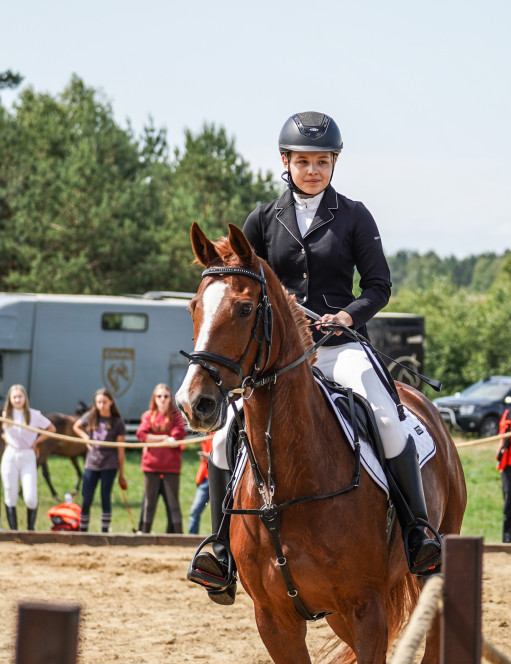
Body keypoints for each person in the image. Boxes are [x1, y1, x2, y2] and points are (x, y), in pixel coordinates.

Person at [189, 111, 442, 604]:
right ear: (286, 162)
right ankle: (219, 547)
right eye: (303, 162)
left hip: (340, 350)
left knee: (388, 416)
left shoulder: (353, 215)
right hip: (280, 360)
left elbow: (378, 287)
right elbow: (239, 278)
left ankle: (417, 533)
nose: (312, 170)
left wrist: (347, 316)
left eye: (322, 162)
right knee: (222, 437)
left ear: (333, 164)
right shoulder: (263, 219)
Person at [1, 384, 56, 530]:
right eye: (14, 397)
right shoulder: (6, 415)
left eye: (20, 397)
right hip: (11, 455)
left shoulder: (34, 415)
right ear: (10, 399)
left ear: (25, 398)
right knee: (10, 493)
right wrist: (6, 438)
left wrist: (37, 441)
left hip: (27, 455)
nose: (17, 400)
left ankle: (30, 529)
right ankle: (14, 531)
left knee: (30, 496)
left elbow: (51, 429)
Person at [73, 388, 127, 532]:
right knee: (87, 497)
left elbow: (121, 450)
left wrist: (121, 474)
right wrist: (85, 437)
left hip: (109, 464)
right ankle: (83, 530)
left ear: (110, 402)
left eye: (104, 402)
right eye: (98, 402)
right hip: (92, 463)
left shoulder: (117, 422)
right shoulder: (91, 416)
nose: (101, 405)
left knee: (105, 497)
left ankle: (104, 530)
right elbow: (76, 426)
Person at [136, 384, 186, 533]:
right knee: (149, 503)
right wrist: (164, 438)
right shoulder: (148, 416)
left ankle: (179, 536)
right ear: (154, 398)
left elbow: (178, 434)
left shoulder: (176, 416)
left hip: (171, 466)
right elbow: (142, 435)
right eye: (159, 396)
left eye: (166, 396)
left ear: (171, 398)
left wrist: (156, 438)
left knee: (173, 503)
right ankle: (145, 533)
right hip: (151, 466)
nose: (162, 399)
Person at [188, 434, 214, 534]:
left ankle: (223, 540)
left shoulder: (222, 431)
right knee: (195, 510)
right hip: (205, 478)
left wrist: (211, 456)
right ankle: (192, 538)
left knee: (221, 514)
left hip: (220, 478)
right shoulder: (206, 434)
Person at [496, 408, 511, 543]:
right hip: (508, 466)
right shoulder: (508, 412)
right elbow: (502, 435)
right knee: (508, 502)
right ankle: (507, 540)